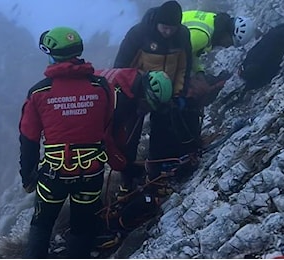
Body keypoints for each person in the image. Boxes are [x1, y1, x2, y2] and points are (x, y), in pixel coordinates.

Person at [18, 26, 115, 258]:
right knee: (83, 226)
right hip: (91, 172)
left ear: (51, 54)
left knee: (42, 224)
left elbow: (28, 138)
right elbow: (106, 123)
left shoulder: (39, 93)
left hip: (55, 174)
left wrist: (28, 177)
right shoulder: (101, 87)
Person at [113, 1, 196, 196]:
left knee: (162, 134)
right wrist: (129, 95)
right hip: (137, 95)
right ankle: (126, 182)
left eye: (172, 28)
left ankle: (155, 174)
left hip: (165, 96)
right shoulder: (139, 34)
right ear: (157, 22)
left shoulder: (182, 35)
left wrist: (178, 94)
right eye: (164, 27)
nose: (168, 32)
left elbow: (184, 66)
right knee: (130, 139)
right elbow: (121, 67)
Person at [93, 68, 175, 247]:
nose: (144, 111)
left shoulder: (132, 85)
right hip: (84, 121)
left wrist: (125, 159)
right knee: (91, 168)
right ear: (144, 95)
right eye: (146, 106)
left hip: (95, 112)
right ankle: (89, 224)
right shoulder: (118, 99)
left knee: (122, 156)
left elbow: (120, 131)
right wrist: (120, 163)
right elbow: (105, 136)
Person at [239, 22, 284, 90]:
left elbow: (273, 70)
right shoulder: (249, 61)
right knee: (279, 32)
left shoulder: (252, 64)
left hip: (275, 38)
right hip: (275, 38)